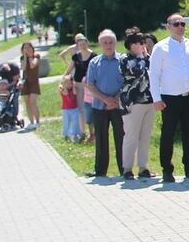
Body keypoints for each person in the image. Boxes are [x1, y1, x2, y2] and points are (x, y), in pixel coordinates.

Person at [149, 13, 189, 182]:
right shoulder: (160, 48)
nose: (180, 27)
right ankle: (167, 170)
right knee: (168, 134)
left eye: (182, 24)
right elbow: (153, 75)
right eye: (176, 24)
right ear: (168, 26)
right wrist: (156, 98)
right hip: (169, 98)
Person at [85, 30, 126, 178]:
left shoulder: (123, 60)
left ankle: (125, 169)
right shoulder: (94, 62)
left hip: (119, 105)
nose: (108, 45)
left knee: (121, 137)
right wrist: (105, 99)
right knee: (101, 138)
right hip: (99, 106)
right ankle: (100, 171)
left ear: (115, 43)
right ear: (100, 44)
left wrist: (115, 99)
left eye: (111, 42)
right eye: (105, 43)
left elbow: (127, 82)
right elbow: (90, 85)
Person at [118, 29, 155, 180]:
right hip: (132, 102)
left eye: (143, 43)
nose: (143, 45)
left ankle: (143, 167)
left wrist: (146, 56)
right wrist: (143, 56)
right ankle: (127, 168)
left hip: (149, 100)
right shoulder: (125, 59)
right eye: (140, 43)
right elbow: (138, 71)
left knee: (145, 136)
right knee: (131, 136)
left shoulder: (146, 58)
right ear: (131, 45)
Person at [60, 34, 94, 142]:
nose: (82, 46)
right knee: (81, 109)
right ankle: (82, 132)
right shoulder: (76, 56)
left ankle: (93, 133)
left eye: (84, 44)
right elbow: (68, 70)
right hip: (78, 85)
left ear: (87, 43)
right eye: (80, 44)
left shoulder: (93, 56)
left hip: (90, 86)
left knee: (91, 109)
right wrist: (63, 81)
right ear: (77, 46)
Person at [19, 41, 42, 129]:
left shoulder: (36, 56)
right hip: (26, 82)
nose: (27, 49)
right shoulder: (22, 58)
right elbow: (23, 68)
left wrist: (30, 57)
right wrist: (25, 57)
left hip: (34, 82)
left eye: (29, 47)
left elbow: (33, 65)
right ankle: (31, 122)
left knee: (33, 102)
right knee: (27, 102)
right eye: (25, 48)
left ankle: (37, 121)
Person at [59, 75, 82, 142]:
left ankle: (75, 134)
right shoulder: (62, 89)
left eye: (70, 83)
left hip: (74, 108)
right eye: (67, 83)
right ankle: (66, 135)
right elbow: (65, 94)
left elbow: (75, 93)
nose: (69, 85)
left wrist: (74, 85)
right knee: (66, 122)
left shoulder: (73, 89)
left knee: (75, 122)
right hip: (65, 109)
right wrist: (63, 86)